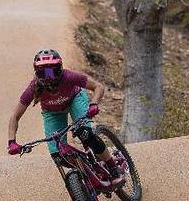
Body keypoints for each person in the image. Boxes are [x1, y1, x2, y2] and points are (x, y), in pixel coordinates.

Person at [7, 48, 122, 182]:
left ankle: (113, 167)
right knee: (58, 155)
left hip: (75, 100)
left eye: (51, 70)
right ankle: (89, 174)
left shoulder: (69, 76)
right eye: (43, 72)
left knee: (85, 132)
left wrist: (93, 104)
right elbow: (15, 116)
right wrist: (11, 142)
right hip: (52, 112)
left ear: (60, 68)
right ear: (36, 72)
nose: (48, 76)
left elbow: (98, 87)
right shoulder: (33, 87)